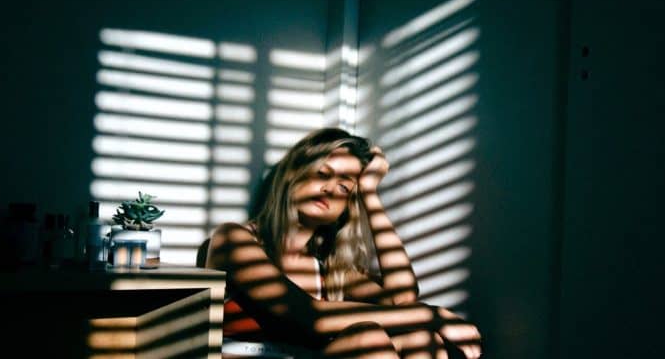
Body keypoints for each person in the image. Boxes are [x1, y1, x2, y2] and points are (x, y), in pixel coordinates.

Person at [205, 128, 482, 358]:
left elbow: (403, 300)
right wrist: (433, 315)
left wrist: (370, 194)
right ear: (293, 173)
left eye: (344, 187)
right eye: (322, 174)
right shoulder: (233, 239)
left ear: (346, 207)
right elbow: (310, 317)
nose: (329, 189)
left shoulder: (329, 270)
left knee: (420, 339)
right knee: (369, 338)